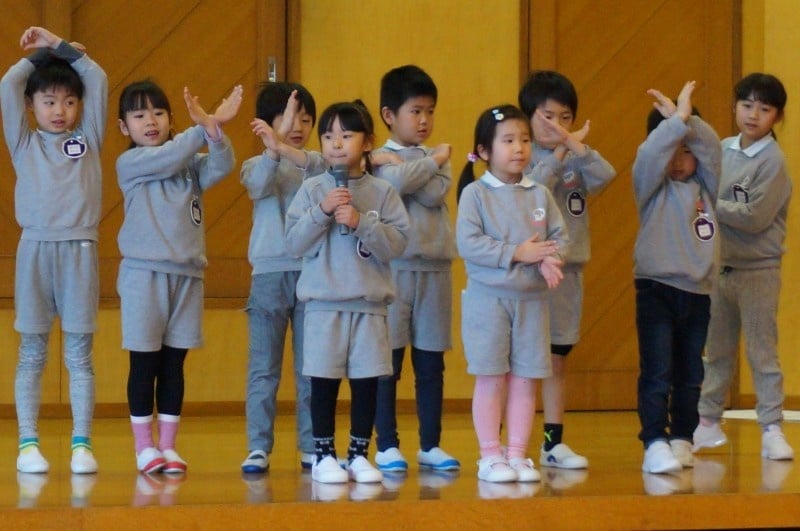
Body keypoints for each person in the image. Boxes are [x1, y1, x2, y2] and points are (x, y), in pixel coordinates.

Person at [116, 80, 243, 474]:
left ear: (171, 119)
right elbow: (168, 158)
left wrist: (215, 132)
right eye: (139, 116)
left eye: (157, 113)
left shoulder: (188, 166)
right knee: (145, 364)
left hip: (187, 277)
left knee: (173, 365)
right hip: (144, 276)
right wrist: (204, 126)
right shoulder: (132, 164)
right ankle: (143, 448)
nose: (150, 121)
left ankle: (167, 447)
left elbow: (222, 163)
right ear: (125, 128)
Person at [281, 100, 410, 484]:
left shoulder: (383, 192)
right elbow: (293, 242)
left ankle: (358, 453)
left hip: (369, 305)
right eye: (328, 135)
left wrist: (361, 222)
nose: (336, 143)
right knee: (322, 380)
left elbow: (398, 243)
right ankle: (323, 454)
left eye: (347, 134)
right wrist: (322, 212)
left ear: (368, 142)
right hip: (323, 305)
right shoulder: (311, 189)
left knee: (367, 380)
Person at [0, 26, 107, 475]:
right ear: (32, 106)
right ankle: (28, 444)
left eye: (67, 101)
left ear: (79, 106)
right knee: (33, 352)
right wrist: (43, 56)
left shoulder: (89, 138)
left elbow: (97, 77)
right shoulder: (23, 143)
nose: (59, 110)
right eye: (48, 101)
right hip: (35, 251)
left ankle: (81, 444)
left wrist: (61, 45)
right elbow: (8, 83)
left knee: (79, 355)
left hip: (80, 249)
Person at [456, 104, 566, 483]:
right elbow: (469, 244)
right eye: (508, 141)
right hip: (488, 301)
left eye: (524, 140)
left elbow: (558, 237)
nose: (519, 148)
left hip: (532, 303)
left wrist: (551, 259)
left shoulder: (540, 194)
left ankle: (518, 454)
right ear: (484, 151)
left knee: (526, 377)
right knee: (491, 377)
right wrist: (517, 253)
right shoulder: (474, 194)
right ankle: (490, 455)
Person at [518, 70, 616, 469]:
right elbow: (533, 189)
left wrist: (578, 147)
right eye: (547, 116)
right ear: (528, 118)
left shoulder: (577, 155)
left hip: (568, 270)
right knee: (523, 360)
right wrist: (559, 154)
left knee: (558, 358)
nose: (556, 125)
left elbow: (605, 176)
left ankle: (552, 443)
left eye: (565, 117)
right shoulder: (520, 154)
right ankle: (513, 448)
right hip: (529, 273)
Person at [694, 73, 794, 461]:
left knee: (761, 353)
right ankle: (706, 423)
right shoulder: (723, 149)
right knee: (715, 351)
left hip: (758, 272)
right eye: (747, 104)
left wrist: (710, 205)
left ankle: (771, 428)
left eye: (764, 108)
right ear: (735, 106)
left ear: (777, 116)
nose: (754, 114)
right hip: (721, 268)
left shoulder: (773, 161)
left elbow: (753, 218)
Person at [371, 64, 459, 473]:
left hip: (436, 269)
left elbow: (434, 191)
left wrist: (416, 166)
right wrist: (431, 160)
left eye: (430, 111)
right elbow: (393, 186)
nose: (424, 120)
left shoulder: (426, 159)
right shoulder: (381, 160)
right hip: (394, 270)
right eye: (415, 111)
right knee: (388, 362)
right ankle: (386, 443)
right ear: (389, 115)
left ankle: (430, 444)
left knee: (430, 363)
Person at [633, 81, 721, 474]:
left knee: (690, 373)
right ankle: (654, 441)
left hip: (697, 293)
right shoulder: (652, 188)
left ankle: (683, 437)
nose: (679, 159)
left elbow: (713, 150)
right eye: (672, 149)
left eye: (687, 150)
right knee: (658, 371)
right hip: (656, 290)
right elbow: (649, 157)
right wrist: (672, 126)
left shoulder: (708, 188)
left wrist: (688, 122)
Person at [240, 82, 327, 474]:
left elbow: (321, 168)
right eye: (288, 118)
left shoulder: (317, 163)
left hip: (311, 273)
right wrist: (274, 149)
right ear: (266, 124)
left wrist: (285, 146)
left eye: (306, 119)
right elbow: (259, 184)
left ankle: (311, 445)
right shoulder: (256, 165)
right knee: (264, 368)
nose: (298, 125)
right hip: (269, 275)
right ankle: (259, 446)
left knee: (311, 368)